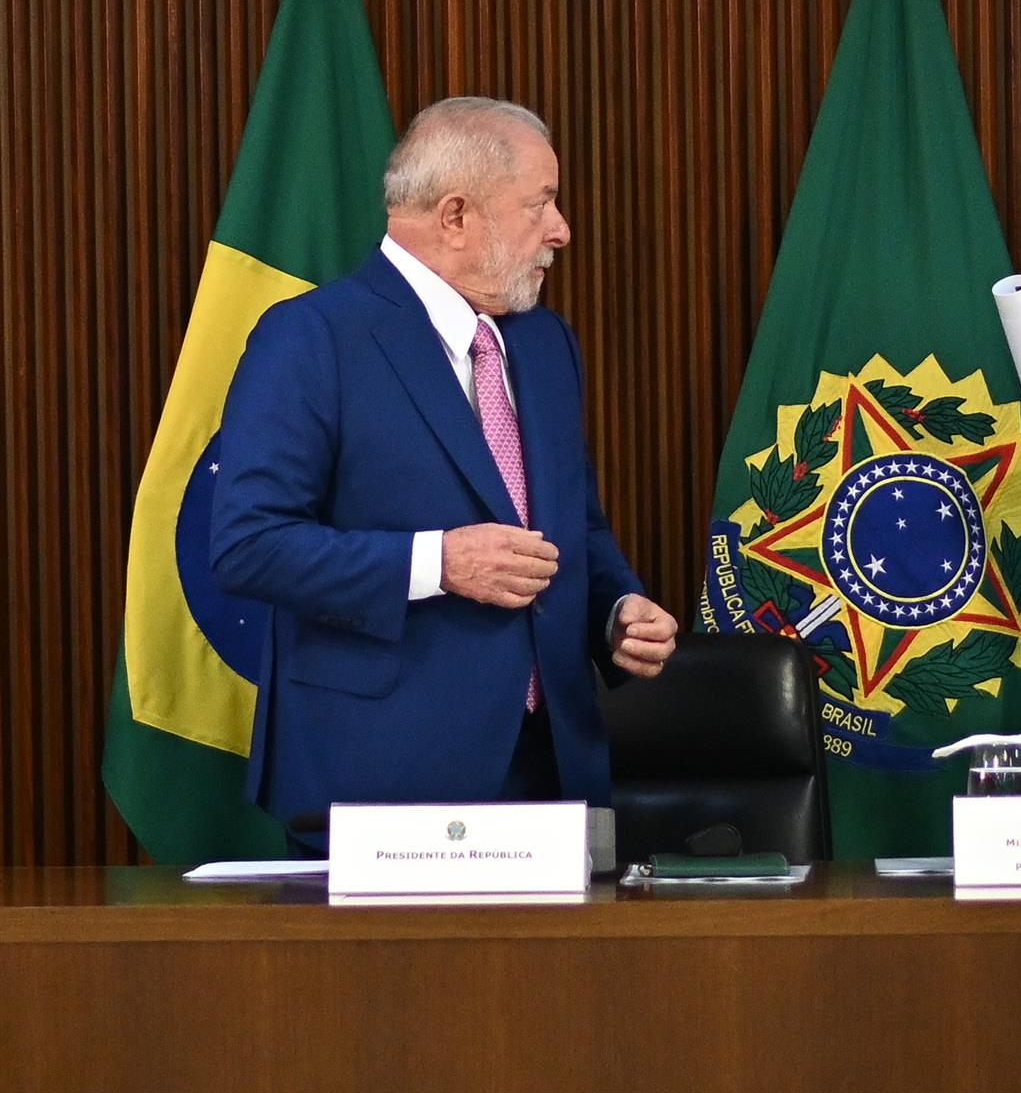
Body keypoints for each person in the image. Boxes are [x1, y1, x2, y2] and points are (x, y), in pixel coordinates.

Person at [211, 97, 678, 841]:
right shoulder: (311, 338)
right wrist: (438, 562)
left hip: (554, 774)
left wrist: (617, 611)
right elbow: (248, 545)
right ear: (456, 217)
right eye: (542, 203)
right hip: (383, 773)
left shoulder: (545, 343)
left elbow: (573, 525)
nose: (561, 230)